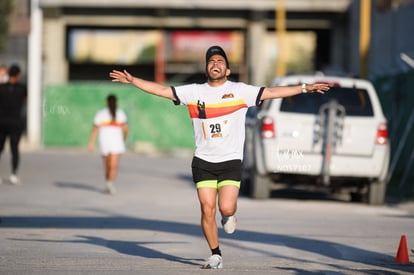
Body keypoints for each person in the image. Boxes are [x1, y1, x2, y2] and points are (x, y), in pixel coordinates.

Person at [109, 45, 329, 269]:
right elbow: (163, 91)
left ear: (227, 70)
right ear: (207, 68)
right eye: (211, 61)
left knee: (225, 208)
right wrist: (134, 80)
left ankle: (229, 216)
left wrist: (305, 88)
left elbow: (272, 92)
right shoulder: (193, 92)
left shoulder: (241, 91)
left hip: (230, 161)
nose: (215, 64)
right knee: (207, 208)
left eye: (220, 62)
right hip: (203, 161)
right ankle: (215, 254)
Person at [88, 94, 128, 195]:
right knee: (107, 165)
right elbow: (95, 129)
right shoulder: (101, 114)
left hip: (117, 143)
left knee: (113, 165)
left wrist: (124, 139)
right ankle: (107, 181)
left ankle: (110, 183)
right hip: (104, 142)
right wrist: (91, 143)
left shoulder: (120, 114)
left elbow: (125, 129)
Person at [0, 64, 27, 185]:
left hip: (1, 122)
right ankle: (14, 174)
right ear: (18, 75)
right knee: (14, 149)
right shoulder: (22, 88)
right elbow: (25, 100)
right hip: (16, 122)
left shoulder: (1, 88)